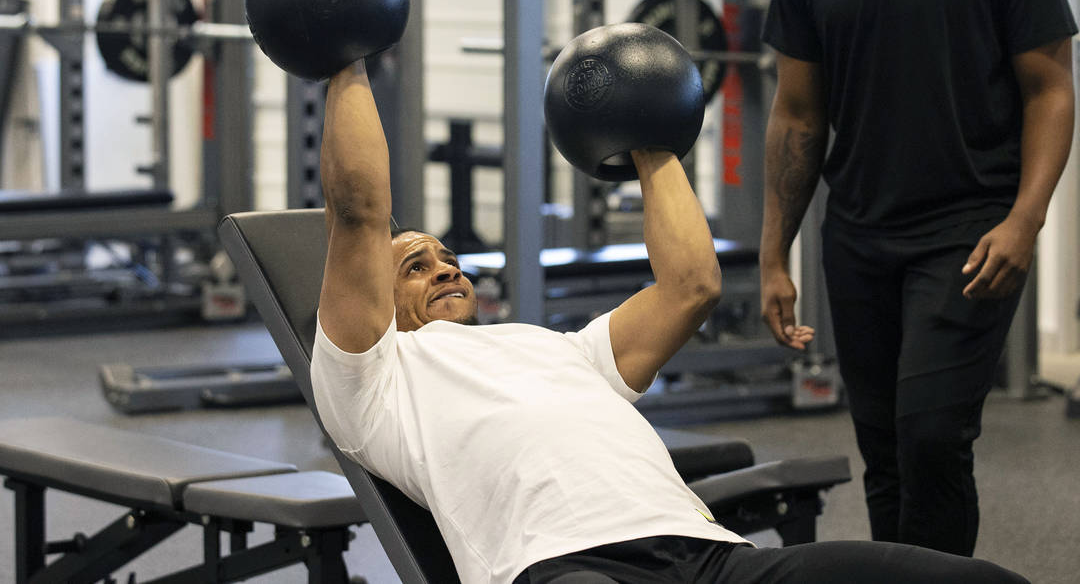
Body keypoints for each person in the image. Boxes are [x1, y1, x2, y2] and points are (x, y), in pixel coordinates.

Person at [308, 56, 1031, 584]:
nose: (446, 268)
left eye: (449, 257)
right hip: (563, 567)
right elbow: (361, 211)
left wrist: (648, 134)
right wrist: (348, 58)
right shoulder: (373, 384)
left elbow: (690, 286)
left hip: (711, 555)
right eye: (415, 265)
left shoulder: (555, 347)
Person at [759, 0, 1078, 558]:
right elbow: (796, 117)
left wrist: (1025, 220)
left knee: (933, 434)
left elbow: (1050, 89)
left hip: (968, 232)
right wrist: (772, 255)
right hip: (859, 236)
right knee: (887, 451)